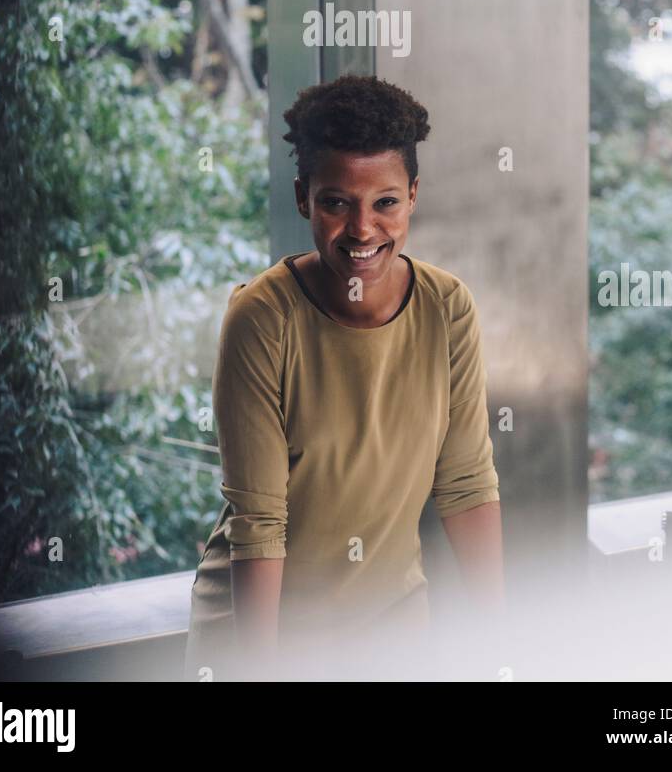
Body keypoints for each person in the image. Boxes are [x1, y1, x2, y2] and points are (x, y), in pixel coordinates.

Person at [184, 74, 503, 681]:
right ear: (304, 197)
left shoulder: (447, 306)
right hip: (262, 637)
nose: (362, 229)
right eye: (337, 202)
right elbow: (259, 524)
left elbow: (466, 486)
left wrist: (503, 647)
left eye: (384, 202)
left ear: (412, 195)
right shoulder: (261, 317)